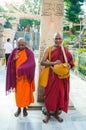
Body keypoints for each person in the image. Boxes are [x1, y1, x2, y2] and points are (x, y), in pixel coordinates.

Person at [41, 32, 74, 123]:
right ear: (53, 39)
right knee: (49, 96)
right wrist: (53, 63)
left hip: (62, 78)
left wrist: (69, 66)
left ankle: (56, 114)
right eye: (56, 38)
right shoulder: (49, 49)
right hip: (51, 76)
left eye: (59, 38)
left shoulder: (65, 50)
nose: (58, 40)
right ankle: (48, 114)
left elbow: (71, 62)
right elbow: (42, 62)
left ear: (62, 40)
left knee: (60, 95)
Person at [6, 37, 36, 117]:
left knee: (26, 95)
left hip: (26, 78)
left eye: (23, 44)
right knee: (18, 95)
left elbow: (32, 63)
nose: (21, 46)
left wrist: (22, 69)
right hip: (17, 78)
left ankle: (25, 109)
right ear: (17, 44)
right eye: (19, 45)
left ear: (25, 44)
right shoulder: (14, 51)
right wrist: (14, 59)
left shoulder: (29, 52)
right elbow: (9, 63)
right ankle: (19, 108)